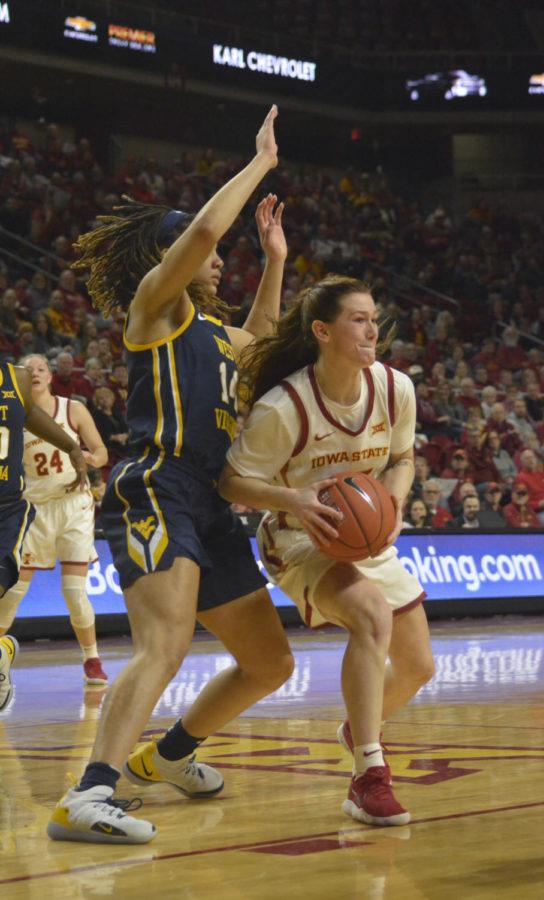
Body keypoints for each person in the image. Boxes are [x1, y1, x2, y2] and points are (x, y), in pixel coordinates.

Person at [47, 106, 295, 845]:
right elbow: (205, 235)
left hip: (211, 501)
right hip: (156, 483)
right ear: (168, 256)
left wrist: (276, 259)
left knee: (269, 661)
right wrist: (258, 166)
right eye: (197, 249)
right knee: (165, 642)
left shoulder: (218, 332)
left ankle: (173, 754)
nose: (217, 259)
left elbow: (262, 343)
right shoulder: (154, 307)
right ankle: (88, 795)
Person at [219, 274, 435, 827]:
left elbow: (404, 457)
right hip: (298, 535)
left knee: (418, 667)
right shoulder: (284, 407)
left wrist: (394, 500)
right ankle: (368, 774)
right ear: (322, 330)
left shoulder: (395, 388)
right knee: (368, 615)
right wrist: (291, 496)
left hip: (365, 532)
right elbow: (231, 482)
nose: (372, 329)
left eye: (374, 318)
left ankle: (356, 726)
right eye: (358, 319)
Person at [0, 354, 108, 682]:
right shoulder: (16, 410)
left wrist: (87, 458)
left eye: (41, 368)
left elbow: (101, 453)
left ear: (50, 376)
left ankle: (92, 660)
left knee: (74, 590)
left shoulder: (72, 409)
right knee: (14, 589)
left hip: (73, 504)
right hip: (34, 505)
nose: (34, 373)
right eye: (29, 368)